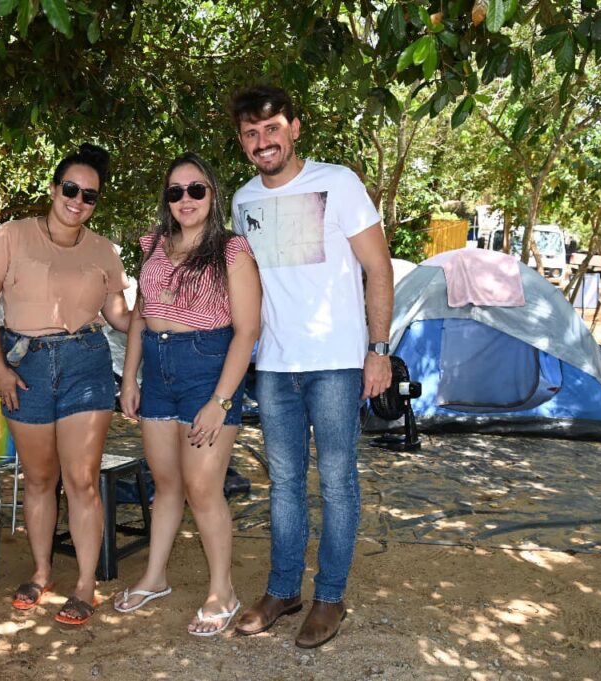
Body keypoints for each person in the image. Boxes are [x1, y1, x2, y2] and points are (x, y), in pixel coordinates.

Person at [227, 85, 393, 648]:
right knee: (285, 485)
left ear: (294, 128)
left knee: (339, 484)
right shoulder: (244, 201)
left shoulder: (339, 182)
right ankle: (282, 589)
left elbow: (379, 266)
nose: (261, 141)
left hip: (337, 363)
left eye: (271, 128)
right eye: (250, 133)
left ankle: (329, 598)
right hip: (274, 367)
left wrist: (378, 348)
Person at [0, 143, 131, 626]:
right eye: (70, 189)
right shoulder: (11, 237)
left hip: (86, 363)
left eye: (90, 196)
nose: (78, 201)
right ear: (53, 187)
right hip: (25, 366)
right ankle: (42, 573)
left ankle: (85, 585)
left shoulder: (104, 250)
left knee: (81, 480)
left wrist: (166, 302)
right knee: (40, 478)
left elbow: (118, 316)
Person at [115, 152, 261, 636]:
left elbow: (247, 331)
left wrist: (220, 401)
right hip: (156, 371)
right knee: (166, 483)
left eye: (196, 189)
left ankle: (224, 591)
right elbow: (138, 316)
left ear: (212, 193)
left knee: (202, 487)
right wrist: (129, 377)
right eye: (175, 191)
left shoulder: (233, 250)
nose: (185, 199)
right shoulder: (154, 244)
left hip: (208, 369)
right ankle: (154, 577)